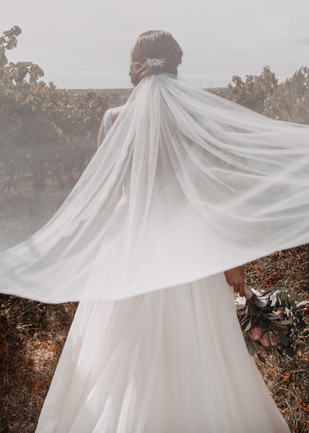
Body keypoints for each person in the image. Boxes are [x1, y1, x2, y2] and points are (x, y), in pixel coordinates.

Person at [35, 31, 290, 433]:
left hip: (128, 244)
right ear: (175, 64)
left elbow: (111, 192)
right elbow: (209, 197)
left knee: (124, 352)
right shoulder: (194, 119)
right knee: (195, 346)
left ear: (135, 67)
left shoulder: (113, 120)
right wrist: (230, 260)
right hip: (186, 246)